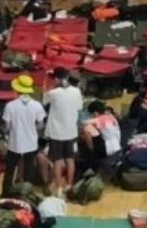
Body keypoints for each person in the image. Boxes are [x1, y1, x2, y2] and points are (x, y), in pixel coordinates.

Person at [2, 74, 47, 196]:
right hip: (31, 143)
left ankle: (5, 193)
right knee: (29, 169)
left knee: (10, 169)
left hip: (14, 143)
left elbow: (7, 127)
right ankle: (27, 193)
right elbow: (41, 125)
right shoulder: (37, 105)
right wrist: (31, 129)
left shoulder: (10, 106)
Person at [43, 67, 84, 196]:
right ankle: (69, 185)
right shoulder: (76, 91)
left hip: (56, 133)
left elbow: (44, 100)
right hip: (71, 131)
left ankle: (59, 188)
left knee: (57, 161)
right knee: (70, 159)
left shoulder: (53, 93)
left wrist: (46, 85)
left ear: (56, 79)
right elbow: (79, 107)